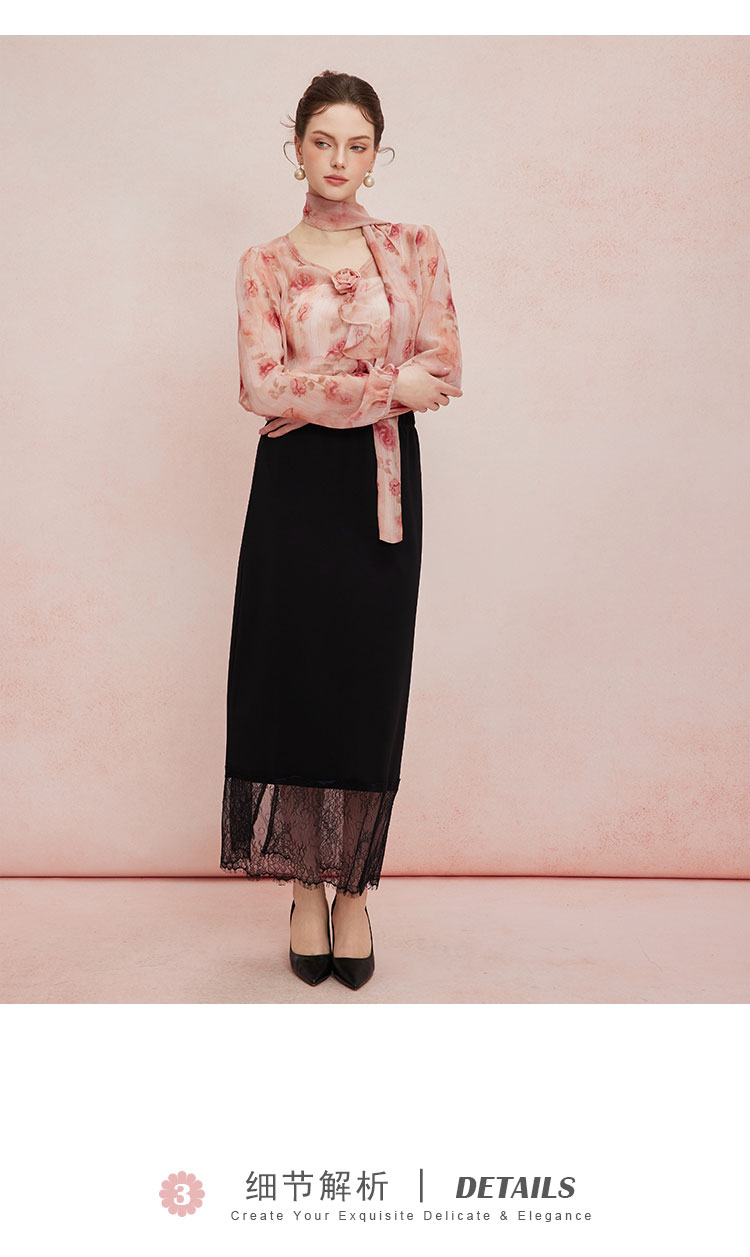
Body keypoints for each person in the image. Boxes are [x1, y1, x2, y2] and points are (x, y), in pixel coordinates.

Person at [221, 70, 462, 990]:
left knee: (367, 679)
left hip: (380, 488)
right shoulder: (265, 263)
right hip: (293, 491)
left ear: (376, 154)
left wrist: (325, 392)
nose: (339, 160)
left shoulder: (414, 247)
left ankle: (354, 886)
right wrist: (382, 385)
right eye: (323, 141)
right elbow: (261, 386)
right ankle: (302, 887)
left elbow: (442, 368)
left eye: (357, 145)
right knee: (292, 675)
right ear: (296, 149)